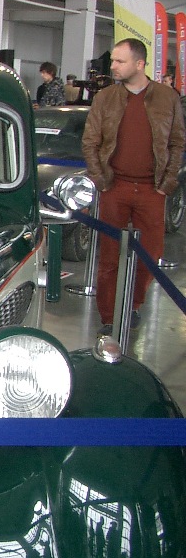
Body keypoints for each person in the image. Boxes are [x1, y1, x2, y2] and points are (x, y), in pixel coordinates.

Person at [81, 37, 186, 336]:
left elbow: (177, 142)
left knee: (150, 255)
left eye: (120, 61)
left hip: (153, 189)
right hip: (114, 186)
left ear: (139, 64)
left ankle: (134, 305)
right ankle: (108, 316)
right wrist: (100, 180)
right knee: (109, 256)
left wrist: (167, 183)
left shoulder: (167, 97)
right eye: (113, 60)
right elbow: (90, 141)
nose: (113, 66)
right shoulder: (106, 98)